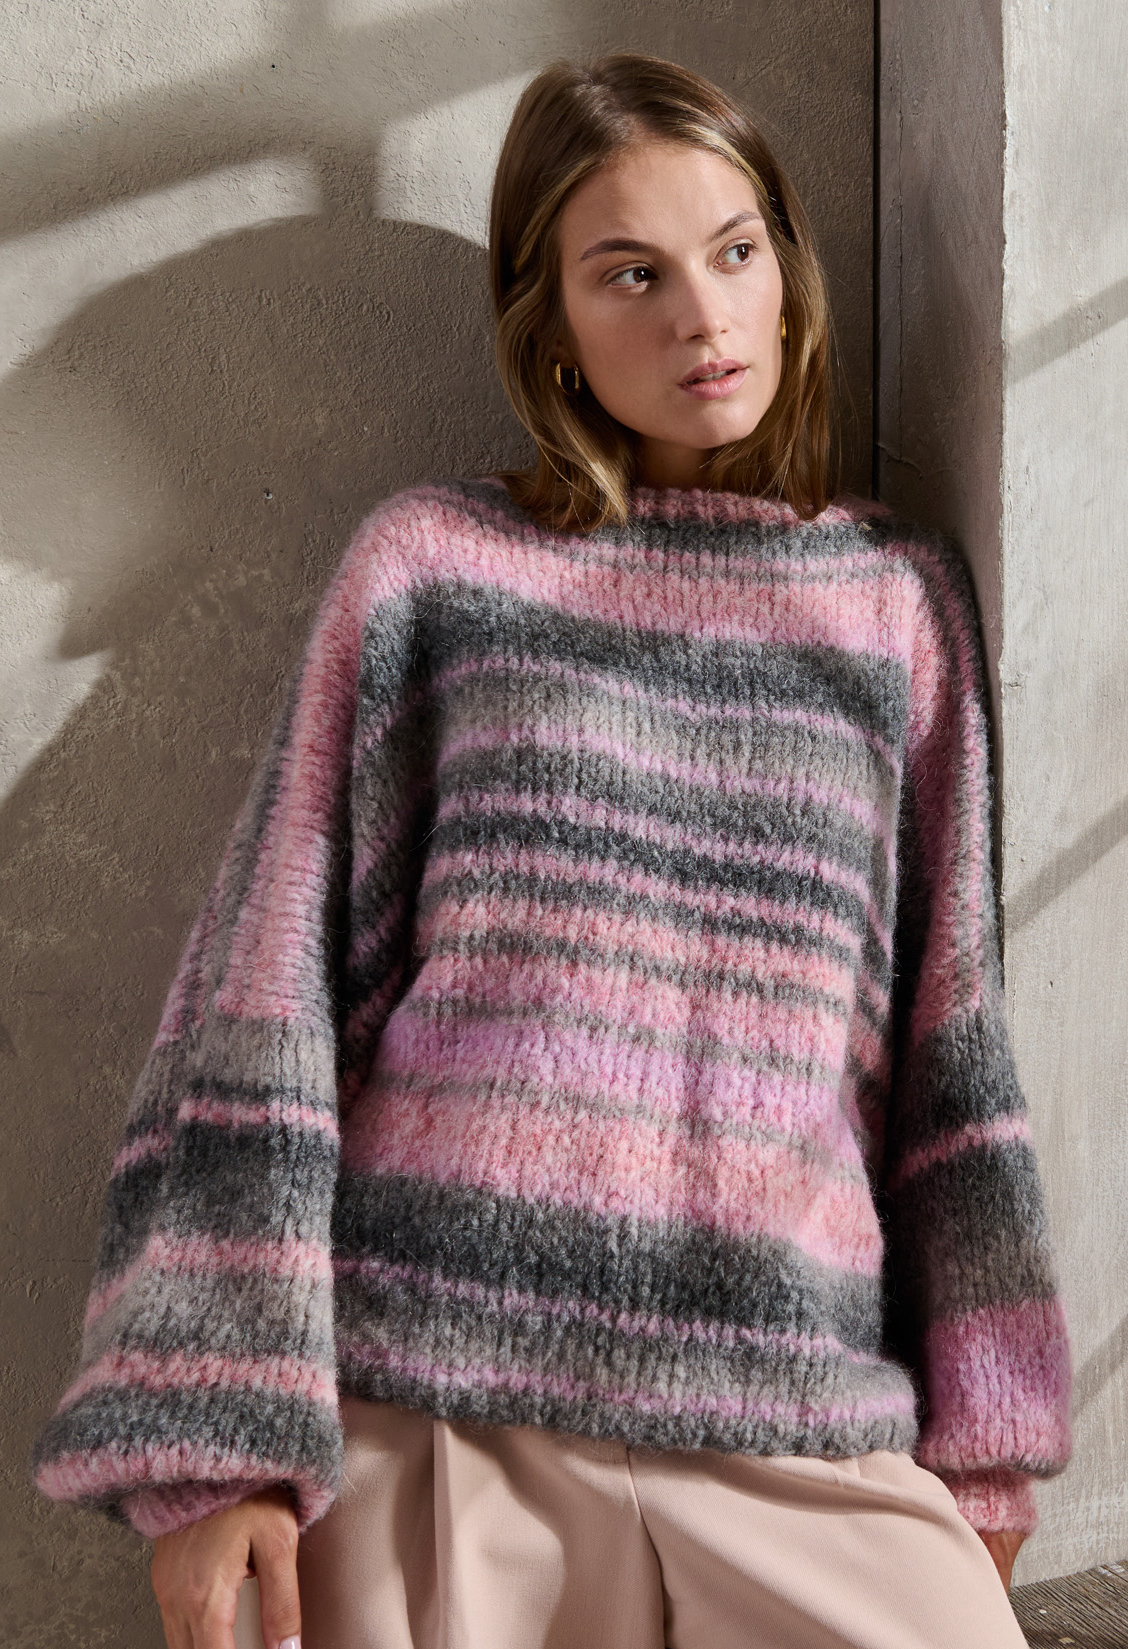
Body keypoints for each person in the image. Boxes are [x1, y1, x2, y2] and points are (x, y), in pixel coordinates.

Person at [32, 50, 1072, 1649]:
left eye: (735, 251)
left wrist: (988, 1448)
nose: (702, 316)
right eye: (630, 274)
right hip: (439, 1408)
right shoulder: (435, 570)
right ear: (555, 327)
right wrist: (215, 1450)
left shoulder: (894, 608)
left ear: (789, 272)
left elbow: (952, 1043)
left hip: (791, 1407)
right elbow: (268, 992)